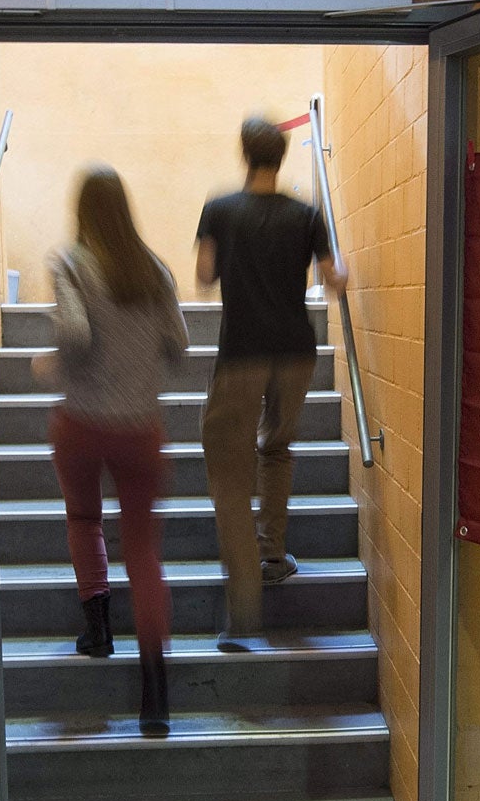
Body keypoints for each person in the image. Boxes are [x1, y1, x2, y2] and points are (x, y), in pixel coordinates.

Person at [42, 165, 189, 736]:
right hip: (140, 427)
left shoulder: (71, 265)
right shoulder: (154, 269)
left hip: (81, 423)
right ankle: (155, 694)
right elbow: (178, 343)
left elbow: (75, 337)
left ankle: (98, 629)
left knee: (84, 518)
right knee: (143, 549)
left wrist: (51, 362)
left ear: (83, 211)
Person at [194, 116, 348, 649]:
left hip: (242, 354)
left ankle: (243, 607)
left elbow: (205, 275)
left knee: (229, 471)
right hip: (296, 353)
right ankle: (272, 556)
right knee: (276, 450)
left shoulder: (219, 209)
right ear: (281, 157)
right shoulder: (307, 215)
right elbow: (334, 279)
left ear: (245, 153)